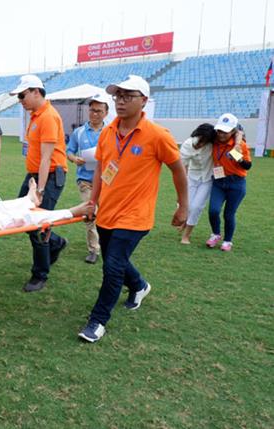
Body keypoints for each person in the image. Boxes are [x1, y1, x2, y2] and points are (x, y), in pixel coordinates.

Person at [78, 75, 188, 343]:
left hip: (136, 217)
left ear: (144, 101)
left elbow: (177, 169)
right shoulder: (108, 132)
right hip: (107, 213)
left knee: (113, 267)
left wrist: (183, 206)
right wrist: (93, 201)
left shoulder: (158, 135)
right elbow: (102, 168)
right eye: (118, 96)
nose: (121, 101)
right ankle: (139, 286)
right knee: (115, 260)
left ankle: (97, 321)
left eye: (129, 96)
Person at [9, 75, 68, 292]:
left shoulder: (48, 117)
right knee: (23, 217)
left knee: (38, 222)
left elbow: (47, 157)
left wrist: (41, 189)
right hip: (35, 175)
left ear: (36, 91)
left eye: (22, 95)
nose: (20, 100)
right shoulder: (36, 116)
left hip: (50, 175)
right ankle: (56, 243)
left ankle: (40, 274)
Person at [66, 93, 111, 264]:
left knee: (106, 215)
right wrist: (74, 158)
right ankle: (94, 249)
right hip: (85, 180)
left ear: (105, 113)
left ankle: (107, 244)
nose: (94, 114)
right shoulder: (79, 132)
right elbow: (69, 151)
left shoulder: (111, 132)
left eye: (99, 111)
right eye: (92, 110)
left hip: (107, 180)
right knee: (90, 214)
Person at [205, 113, 252, 251]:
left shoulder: (240, 144)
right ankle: (215, 234)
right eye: (219, 131)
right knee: (213, 211)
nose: (221, 134)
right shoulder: (214, 141)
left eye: (225, 132)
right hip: (219, 182)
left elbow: (248, 165)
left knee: (228, 214)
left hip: (236, 183)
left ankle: (227, 241)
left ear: (232, 131)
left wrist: (237, 156)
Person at [179, 123, 217, 244]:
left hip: (207, 179)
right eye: (202, 139)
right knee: (187, 205)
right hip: (191, 177)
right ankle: (184, 222)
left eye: (206, 140)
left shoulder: (213, 144)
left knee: (196, 207)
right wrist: (182, 185)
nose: (203, 143)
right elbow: (182, 165)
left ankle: (186, 236)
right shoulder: (188, 144)